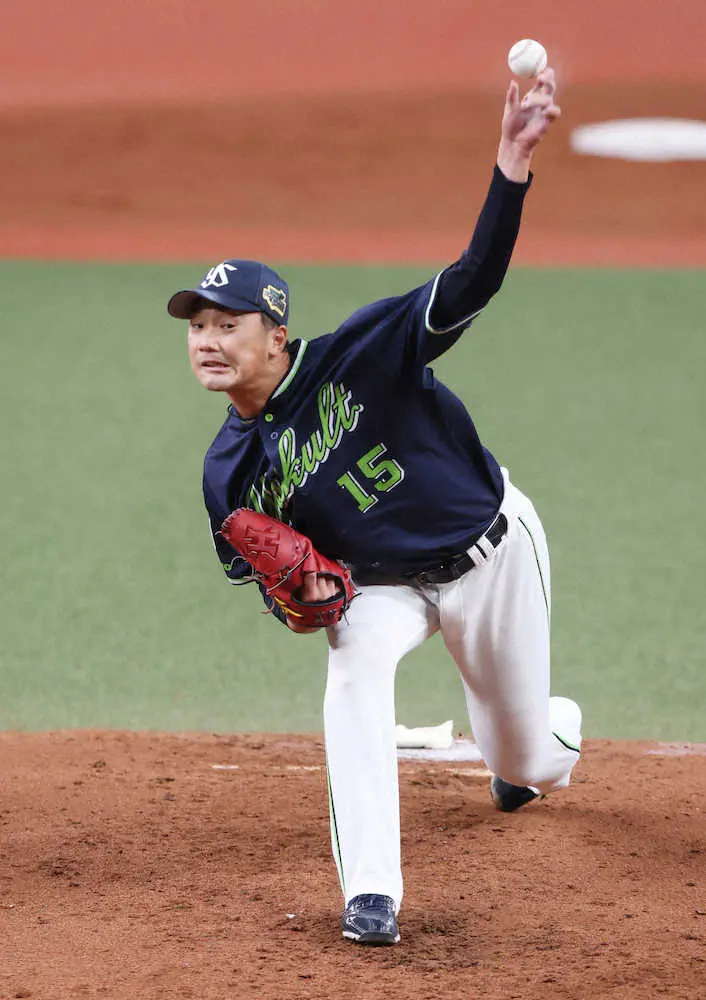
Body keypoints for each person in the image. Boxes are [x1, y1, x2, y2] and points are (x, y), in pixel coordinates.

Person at [168, 67, 582, 947]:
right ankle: (371, 894)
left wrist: (510, 164)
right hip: (382, 587)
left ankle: (544, 739)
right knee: (350, 669)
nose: (207, 340)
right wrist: (298, 599)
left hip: (490, 554)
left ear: (275, 335)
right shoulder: (226, 473)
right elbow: (271, 581)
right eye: (197, 326)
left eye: (227, 324)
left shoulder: (362, 350)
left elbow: (472, 280)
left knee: (527, 759)